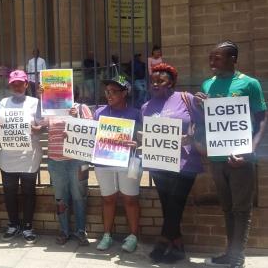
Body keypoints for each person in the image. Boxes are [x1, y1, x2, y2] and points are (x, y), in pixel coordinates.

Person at [196, 41, 267, 268]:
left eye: (217, 58)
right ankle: (230, 252)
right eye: (210, 57)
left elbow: (262, 119)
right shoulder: (207, 85)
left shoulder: (249, 84)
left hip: (241, 158)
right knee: (227, 208)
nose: (211, 63)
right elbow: (208, 120)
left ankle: (238, 256)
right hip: (217, 159)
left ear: (232, 58)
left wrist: (251, 150)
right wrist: (201, 108)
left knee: (241, 209)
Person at [142, 63, 203, 264]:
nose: (155, 84)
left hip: (186, 164)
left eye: (161, 81)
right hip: (159, 164)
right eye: (153, 81)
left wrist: (192, 139)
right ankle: (177, 246)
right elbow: (148, 136)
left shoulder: (187, 99)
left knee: (176, 203)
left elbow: (205, 124)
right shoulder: (146, 107)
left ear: (172, 82)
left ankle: (162, 242)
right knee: (168, 206)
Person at [39, 86, 93, 246]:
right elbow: (38, 125)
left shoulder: (82, 108)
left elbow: (91, 131)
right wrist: (41, 101)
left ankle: (81, 232)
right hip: (56, 161)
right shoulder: (50, 110)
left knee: (79, 197)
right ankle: (64, 231)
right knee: (61, 198)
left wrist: (76, 119)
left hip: (77, 160)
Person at [94, 75, 141, 253]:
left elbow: (144, 139)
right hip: (103, 162)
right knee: (108, 198)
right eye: (107, 91)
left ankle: (133, 236)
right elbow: (92, 136)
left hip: (128, 162)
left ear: (125, 93)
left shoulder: (136, 113)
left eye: (114, 91)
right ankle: (107, 235)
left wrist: (138, 143)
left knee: (130, 199)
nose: (109, 95)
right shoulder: (99, 113)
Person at [0, 70, 42, 244]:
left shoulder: (35, 102)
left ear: (26, 84)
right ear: (10, 85)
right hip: (8, 156)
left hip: (29, 155)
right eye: (13, 83)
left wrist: (39, 129)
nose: (17, 86)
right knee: (9, 193)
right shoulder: (3, 103)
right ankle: (13, 225)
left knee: (29, 193)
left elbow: (43, 125)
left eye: (20, 82)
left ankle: (28, 227)